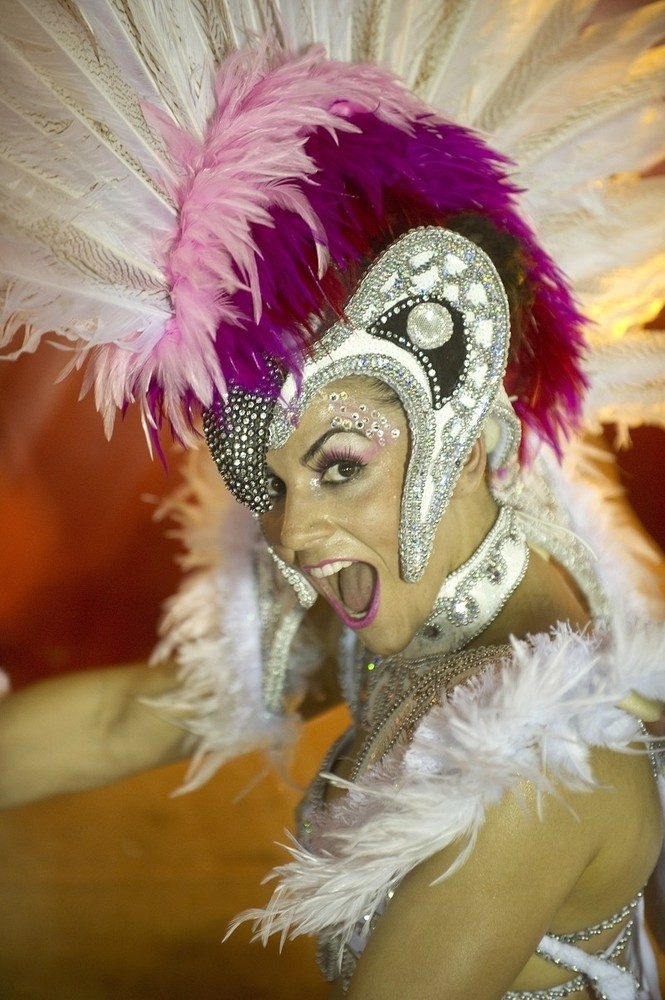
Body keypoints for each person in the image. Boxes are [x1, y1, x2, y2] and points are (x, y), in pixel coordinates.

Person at [1, 6, 664, 999]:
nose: (292, 531)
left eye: (340, 465)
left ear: (477, 445)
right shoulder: (431, 555)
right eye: (264, 480)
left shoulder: (530, 775)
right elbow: (126, 726)